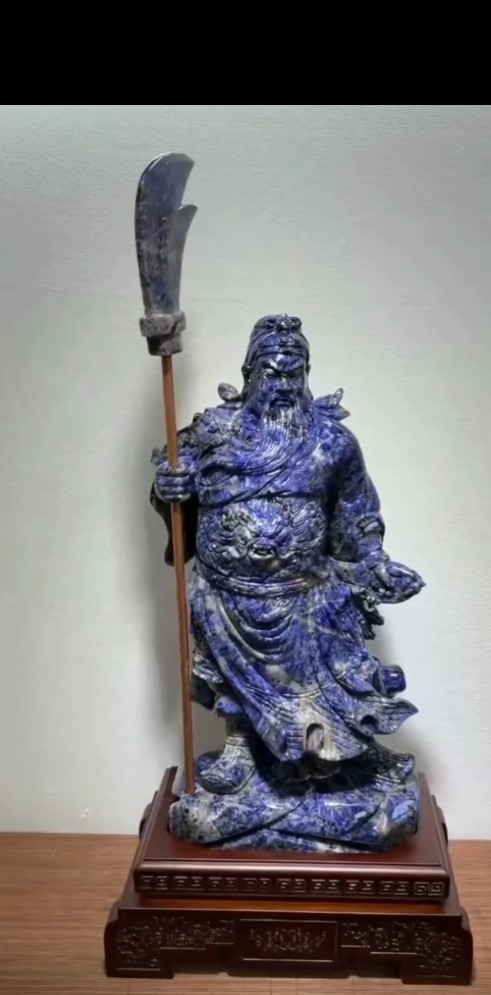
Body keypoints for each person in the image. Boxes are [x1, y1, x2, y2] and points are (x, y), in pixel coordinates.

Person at [151, 314, 424, 850]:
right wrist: (170, 490)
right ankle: (242, 749)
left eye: (292, 373)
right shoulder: (210, 435)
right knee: (229, 677)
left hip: (305, 600)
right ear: (249, 374)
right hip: (224, 598)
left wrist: (375, 564)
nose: (281, 384)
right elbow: (175, 490)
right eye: (271, 372)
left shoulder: (333, 443)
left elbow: (356, 518)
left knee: (330, 690)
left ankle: (326, 764)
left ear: (307, 375)